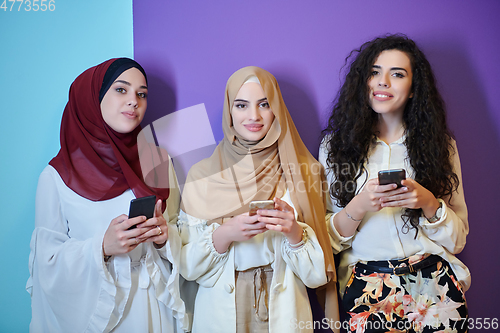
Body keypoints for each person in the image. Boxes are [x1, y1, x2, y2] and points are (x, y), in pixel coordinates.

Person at [27, 58, 192, 332]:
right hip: (102, 313)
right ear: (93, 97)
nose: (133, 101)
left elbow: (180, 231)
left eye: (142, 94)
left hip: (154, 310)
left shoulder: (159, 160)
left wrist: (165, 238)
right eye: (121, 90)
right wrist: (101, 247)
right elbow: (46, 264)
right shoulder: (56, 177)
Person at [319, 35, 469, 333]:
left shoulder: (442, 147)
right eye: (374, 72)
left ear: (414, 89)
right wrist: (360, 205)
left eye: (397, 74)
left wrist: (427, 203)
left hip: (433, 284)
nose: (383, 82)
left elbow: (458, 240)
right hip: (367, 288)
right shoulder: (334, 147)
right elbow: (326, 241)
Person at [177, 66, 339, 333]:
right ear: (230, 111)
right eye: (241, 105)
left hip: (285, 307)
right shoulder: (202, 175)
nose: (254, 116)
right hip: (220, 308)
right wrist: (226, 234)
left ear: (276, 108)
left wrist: (294, 233)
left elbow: (317, 275)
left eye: (264, 104)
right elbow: (188, 269)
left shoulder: (303, 171)